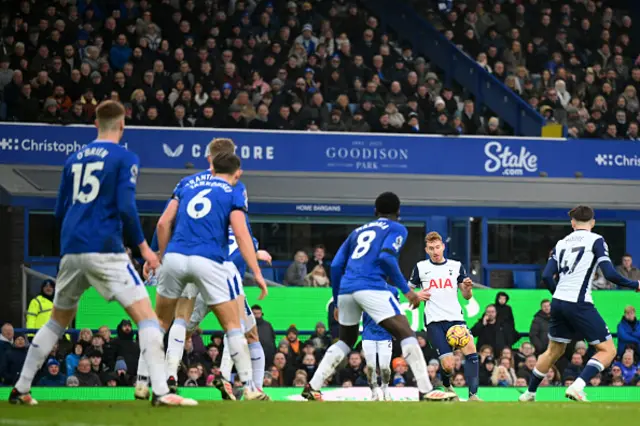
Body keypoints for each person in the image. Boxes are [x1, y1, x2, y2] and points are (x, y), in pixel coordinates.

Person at [8, 100, 195, 407]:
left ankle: (21, 388)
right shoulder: (125, 157)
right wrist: (145, 248)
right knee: (147, 318)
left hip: (71, 249)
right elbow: (125, 206)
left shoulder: (73, 159)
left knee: (56, 322)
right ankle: (161, 392)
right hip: (105, 249)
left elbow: (59, 210)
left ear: (95, 124)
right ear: (122, 126)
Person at [136, 138, 272, 400]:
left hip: (176, 256)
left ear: (208, 158)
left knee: (167, 321)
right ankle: (249, 386)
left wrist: (157, 255)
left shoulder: (187, 182)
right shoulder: (234, 187)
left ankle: (149, 380)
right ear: (234, 164)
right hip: (212, 261)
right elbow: (241, 232)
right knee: (234, 325)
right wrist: (255, 267)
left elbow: (164, 223)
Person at [302, 192, 454, 401]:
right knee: (407, 333)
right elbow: (386, 257)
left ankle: (312, 386)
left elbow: (336, 265)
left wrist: (337, 300)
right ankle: (426, 390)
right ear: (398, 212)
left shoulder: (357, 232)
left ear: (375, 212)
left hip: (347, 288)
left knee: (346, 340)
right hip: (371, 285)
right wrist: (407, 290)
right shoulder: (396, 228)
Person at [520, 205, 640, 403]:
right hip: (579, 302)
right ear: (592, 223)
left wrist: (558, 295)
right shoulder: (596, 240)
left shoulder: (561, 243)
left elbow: (547, 276)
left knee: (553, 350)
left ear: (572, 223)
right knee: (608, 350)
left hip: (558, 301)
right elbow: (609, 274)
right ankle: (577, 386)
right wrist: (634, 284)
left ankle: (529, 393)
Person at [410, 231, 480, 401]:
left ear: (443, 247)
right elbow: (408, 291)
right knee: (448, 365)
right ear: (427, 250)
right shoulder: (421, 267)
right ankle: (447, 385)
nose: (435, 251)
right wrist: (417, 295)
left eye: (437, 247)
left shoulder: (456, 266)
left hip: (456, 319)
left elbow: (466, 296)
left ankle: (473, 396)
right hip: (434, 322)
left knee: (471, 350)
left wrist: (468, 288)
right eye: (431, 248)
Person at [361, 286, 397, 401]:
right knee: (371, 367)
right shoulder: (363, 290)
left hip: (385, 334)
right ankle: (374, 391)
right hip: (368, 334)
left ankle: (385, 388)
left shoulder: (393, 291)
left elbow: (396, 311)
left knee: (384, 367)